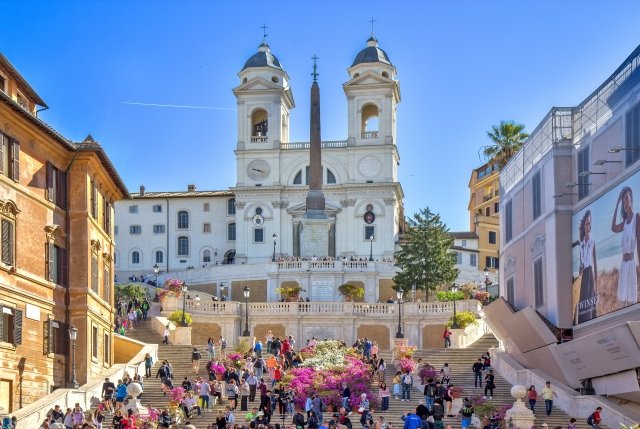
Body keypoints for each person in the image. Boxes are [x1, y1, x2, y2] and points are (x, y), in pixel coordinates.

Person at [611, 186, 640, 307]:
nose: (625, 202)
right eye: (623, 200)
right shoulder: (624, 223)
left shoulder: (637, 217)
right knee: (622, 302)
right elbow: (613, 228)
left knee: (632, 301)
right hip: (623, 265)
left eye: (627, 198)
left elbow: (639, 244)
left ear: (631, 199)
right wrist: (617, 204)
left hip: (632, 263)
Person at [577, 209, 598, 323]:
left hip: (590, 273)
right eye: (586, 223)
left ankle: (591, 321)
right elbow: (580, 265)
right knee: (583, 301)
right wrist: (580, 271)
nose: (588, 225)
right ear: (584, 226)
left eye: (589, 223)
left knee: (590, 299)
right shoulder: (580, 245)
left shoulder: (593, 241)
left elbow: (595, 263)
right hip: (584, 275)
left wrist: (597, 284)